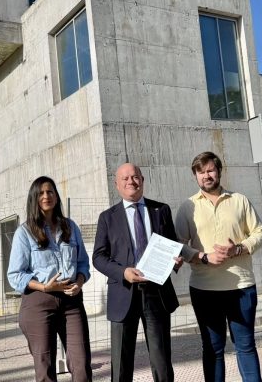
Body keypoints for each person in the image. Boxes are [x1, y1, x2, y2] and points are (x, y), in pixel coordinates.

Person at [175, 152, 262, 382]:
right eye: (201, 171)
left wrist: (238, 248)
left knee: (245, 345)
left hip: (241, 286)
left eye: (210, 170)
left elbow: (260, 233)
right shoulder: (187, 207)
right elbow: (176, 244)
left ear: (219, 171)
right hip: (204, 289)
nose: (206, 175)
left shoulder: (240, 200)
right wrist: (202, 256)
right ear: (195, 175)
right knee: (212, 348)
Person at [92, 163, 182, 382]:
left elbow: (172, 244)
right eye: (125, 178)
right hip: (123, 294)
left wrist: (176, 261)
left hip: (156, 294)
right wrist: (123, 272)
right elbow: (98, 257)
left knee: (161, 361)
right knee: (121, 365)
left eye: (135, 177)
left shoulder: (161, 210)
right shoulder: (107, 217)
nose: (131, 182)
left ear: (142, 179)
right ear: (117, 185)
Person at [7, 176, 92, 382]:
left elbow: (82, 263)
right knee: (45, 368)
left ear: (56, 196)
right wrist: (45, 287)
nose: (47, 196)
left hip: (71, 301)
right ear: (34, 198)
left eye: (51, 191)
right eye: (42, 193)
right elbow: (15, 275)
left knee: (81, 364)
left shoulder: (70, 227)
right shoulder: (24, 232)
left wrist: (79, 282)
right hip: (38, 302)